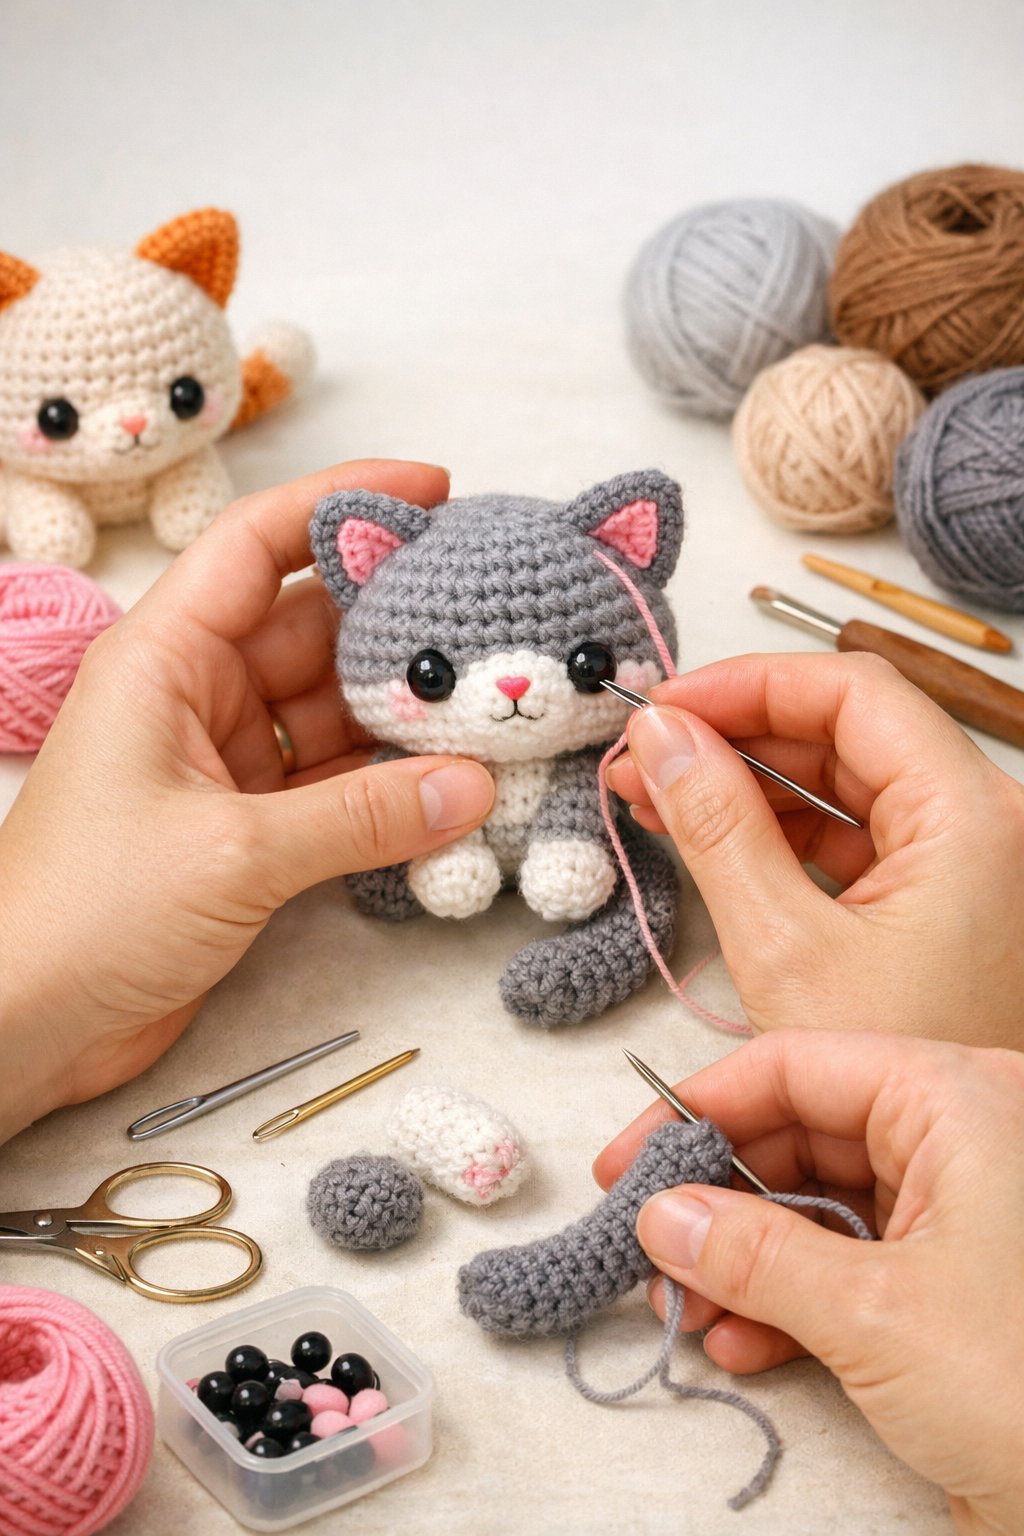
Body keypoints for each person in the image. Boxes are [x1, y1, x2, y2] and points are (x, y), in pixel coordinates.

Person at [0, 459, 1022, 1531]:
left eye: (584, 661)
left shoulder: (604, 770)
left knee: (587, 887)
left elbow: (629, 870)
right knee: (428, 880)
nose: (523, 694)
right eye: (437, 677)